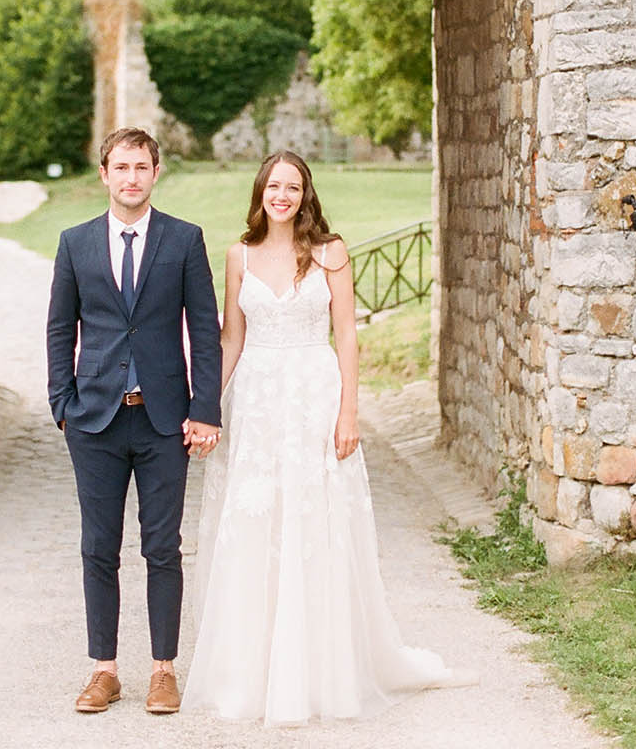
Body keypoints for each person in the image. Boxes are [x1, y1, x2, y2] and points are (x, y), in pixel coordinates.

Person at [181, 151, 469, 725]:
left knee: (315, 524)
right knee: (255, 524)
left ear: (305, 193)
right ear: (260, 192)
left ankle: (319, 671)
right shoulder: (238, 255)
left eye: (292, 186)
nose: (282, 195)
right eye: (273, 186)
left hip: (314, 394)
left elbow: (346, 336)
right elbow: (230, 339)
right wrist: (206, 406)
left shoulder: (330, 252)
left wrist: (348, 414)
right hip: (258, 403)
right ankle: (251, 672)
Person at [47, 127, 222, 715]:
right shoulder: (75, 243)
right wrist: (61, 404)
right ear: (104, 174)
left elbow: (204, 329)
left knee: (162, 547)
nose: (131, 177)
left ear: (156, 172)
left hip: (162, 421)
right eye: (120, 167)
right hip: (93, 420)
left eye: (141, 167)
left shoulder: (184, 240)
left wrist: (205, 409)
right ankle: (103, 670)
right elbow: (58, 329)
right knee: (98, 546)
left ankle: (163, 670)